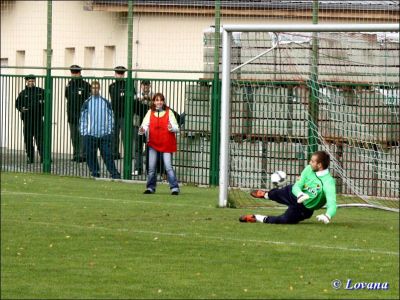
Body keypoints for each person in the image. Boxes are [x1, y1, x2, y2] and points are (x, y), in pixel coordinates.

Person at [240, 151, 337, 224]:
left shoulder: (328, 182)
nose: (309, 162)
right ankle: (265, 195)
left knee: (284, 220)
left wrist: (327, 215)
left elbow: (332, 203)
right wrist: (300, 194)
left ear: (319, 165)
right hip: (293, 193)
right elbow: (296, 186)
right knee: (276, 194)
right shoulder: (308, 169)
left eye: (312, 161)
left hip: (304, 209)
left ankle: (256, 217)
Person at [138, 93, 180, 195]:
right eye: (157, 100)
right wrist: (142, 130)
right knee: (151, 168)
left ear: (163, 101)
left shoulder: (169, 112)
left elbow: (176, 127)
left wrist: (171, 128)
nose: (159, 102)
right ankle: (150, 188)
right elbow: (144, 126)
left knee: (168, 166)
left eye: (161, 100)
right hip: (153, 143)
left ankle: (174, 188)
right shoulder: (149, 112)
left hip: (166, 143)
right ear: (153, 102)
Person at [80, 81, 121, 179]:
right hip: (90, 134)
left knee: (107, 154)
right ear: (91, 89)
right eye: (93, 88)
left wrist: (110, 130)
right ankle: (95, 172)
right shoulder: (87, 103)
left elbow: (111, 117)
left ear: (99, 89)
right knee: (90, 155)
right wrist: (84, 132)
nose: (95, 90)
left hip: (104, 134)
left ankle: (114, 174)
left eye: (96, 88)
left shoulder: (105, 102)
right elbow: (83, 118)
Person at [15, 75, 45, 164]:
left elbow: (46, 102)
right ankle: (30, 158)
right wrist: (21, 109)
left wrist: (42, 112)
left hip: (38, 119)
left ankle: (44, 157)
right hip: (27, 120)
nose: (31, 82)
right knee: (28, 139)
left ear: (34, 81)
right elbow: (17, 104)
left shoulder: (40, 91)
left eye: (32, 81)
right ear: (26, 81)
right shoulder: (23, 93)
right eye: (29, 81)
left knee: (40, 139)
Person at [65, 65, 91, 162]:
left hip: (82, 114)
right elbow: (67, 96)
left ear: (80, 73)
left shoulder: (86, 85)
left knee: (82, 136)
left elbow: (88, 100)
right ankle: (76, 154)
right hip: (72, 114)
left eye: (76, 72)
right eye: (73, 72)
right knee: (74, 136)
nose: (74, 74)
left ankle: (82, 155)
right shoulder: (69, 85)